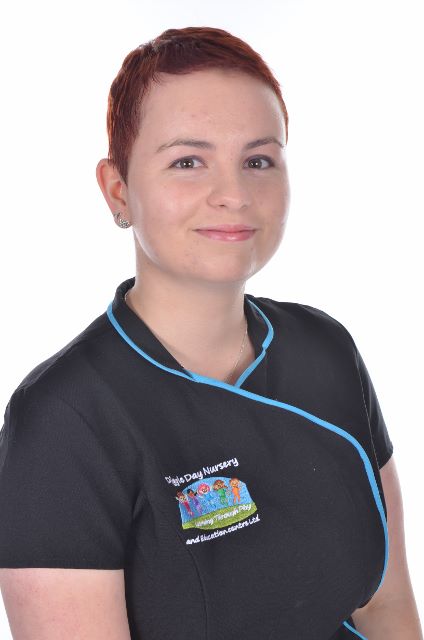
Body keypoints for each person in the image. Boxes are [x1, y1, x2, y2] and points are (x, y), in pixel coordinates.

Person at [0, 26, 422, 640]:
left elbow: (386, 607)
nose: (234, 194)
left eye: (258, 160)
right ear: (118, 190)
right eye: (187, 162)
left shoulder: (327, 350)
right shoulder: (64, 420)